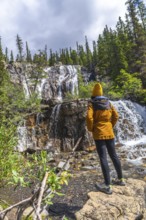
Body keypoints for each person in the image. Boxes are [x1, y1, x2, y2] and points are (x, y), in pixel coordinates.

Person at [86, 82, 125, 194]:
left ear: (93, 95)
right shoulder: (108, 103)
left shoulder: (92, 104)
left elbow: (89, 117)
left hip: (99, 133)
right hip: (109, 132)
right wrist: (110, 125)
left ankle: (107, 186)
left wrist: (91, 128)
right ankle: (121, 179)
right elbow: (116, 116)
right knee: (113, 155)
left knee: (103, 158)